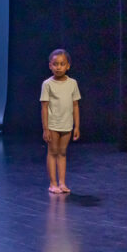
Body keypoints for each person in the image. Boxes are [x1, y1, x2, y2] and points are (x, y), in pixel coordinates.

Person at [40, 49, 81, 193]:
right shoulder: (47, 84)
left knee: (62, 153)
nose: (58, 67)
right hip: (52, 124)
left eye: (62, 64)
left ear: (68, 66)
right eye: (55, 64)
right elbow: (44, 107)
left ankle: (62, 183)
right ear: (50, 66)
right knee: (53, 152)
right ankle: (53, 183)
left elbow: (75, 105)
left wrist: (77, 126)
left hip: (67, 124)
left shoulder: (72, 83)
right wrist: (45, 128)